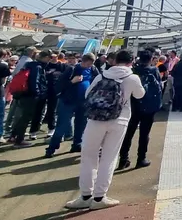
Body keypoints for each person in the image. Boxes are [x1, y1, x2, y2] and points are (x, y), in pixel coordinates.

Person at [65, 49, 145, 211]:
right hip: (119, 121)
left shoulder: (102, 75)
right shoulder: (132, 77)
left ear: (114, 61)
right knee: (109, 158)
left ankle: (85, 196)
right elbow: (139, 95)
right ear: (131, 62)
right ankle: (100, 197)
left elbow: (88, 93)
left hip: (95, 120)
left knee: (88, 157)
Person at [46, 53, 100, 158]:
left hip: (83, 102)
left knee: (81, 125)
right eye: (88, 64)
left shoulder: (93, 69)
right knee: (62, 126)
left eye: (92, 64)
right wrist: (72, 81)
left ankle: (77, 144)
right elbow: (58, 86)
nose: (90, 66)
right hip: (68, 102)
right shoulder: (71, 69)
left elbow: (97, 81)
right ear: (83, 61)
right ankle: (51, 148)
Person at [118, 50, 161, 169]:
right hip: (148, 107)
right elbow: (159, 87)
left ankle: (123, 159)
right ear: (151, 58)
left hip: (133, 107)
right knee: (144, 134)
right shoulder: (154, 70)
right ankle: (141, 159)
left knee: (128, 133)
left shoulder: (133, 70)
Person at [9, 50, 49, 147]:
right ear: (45, 57)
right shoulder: (37, 67)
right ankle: (19, 140)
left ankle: (13, 136)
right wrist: (38, 94)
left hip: (23, 94)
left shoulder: (29, 65)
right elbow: (34, 82)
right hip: (31, 96)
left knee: (23, 117)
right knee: (26, 118)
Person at [42, 53, 70, 137]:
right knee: (40, 110)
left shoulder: (62, 66)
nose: (54, 58)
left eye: (56, 57)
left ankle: (51, 128)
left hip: (55, 91)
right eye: (52, 57)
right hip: (44, 89)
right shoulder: (45, 65)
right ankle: (35, 129)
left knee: (52, 110)